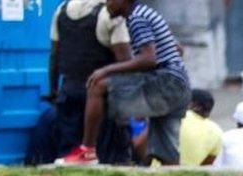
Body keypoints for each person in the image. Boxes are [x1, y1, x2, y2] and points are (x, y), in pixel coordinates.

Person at [57, 0, 190, 166]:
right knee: (166, 154)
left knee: (98, 85)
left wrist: (105, 70)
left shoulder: (137, 18)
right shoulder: (146, 13)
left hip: (166, 83)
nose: (106, 4)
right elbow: (178, 49)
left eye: (110, 0)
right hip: (179, 85)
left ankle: (87, 151)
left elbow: (149, 58)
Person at [49, 0, 133, 165]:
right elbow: (124, 62)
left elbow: (54, 56)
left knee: (68, 155)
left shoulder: (61, 10)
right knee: (109, 157)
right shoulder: (110, 13)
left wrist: (53, 90)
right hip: (102, 97)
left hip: (69, 91)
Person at [179, 89, 223, 167]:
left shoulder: (176, 118)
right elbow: (205, 166)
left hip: (157, 174)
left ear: (194, 105)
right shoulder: (217, 131)